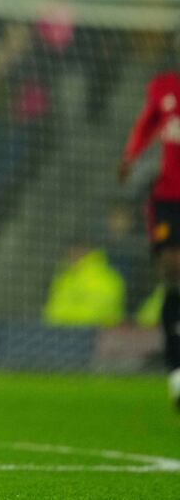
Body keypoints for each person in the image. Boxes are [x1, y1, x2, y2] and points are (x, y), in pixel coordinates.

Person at [118, 68, 180, 408]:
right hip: (169, 199)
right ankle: (176, 369)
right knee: (172, 270)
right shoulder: (165, 87)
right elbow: (147, 123)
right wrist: (131, 154)